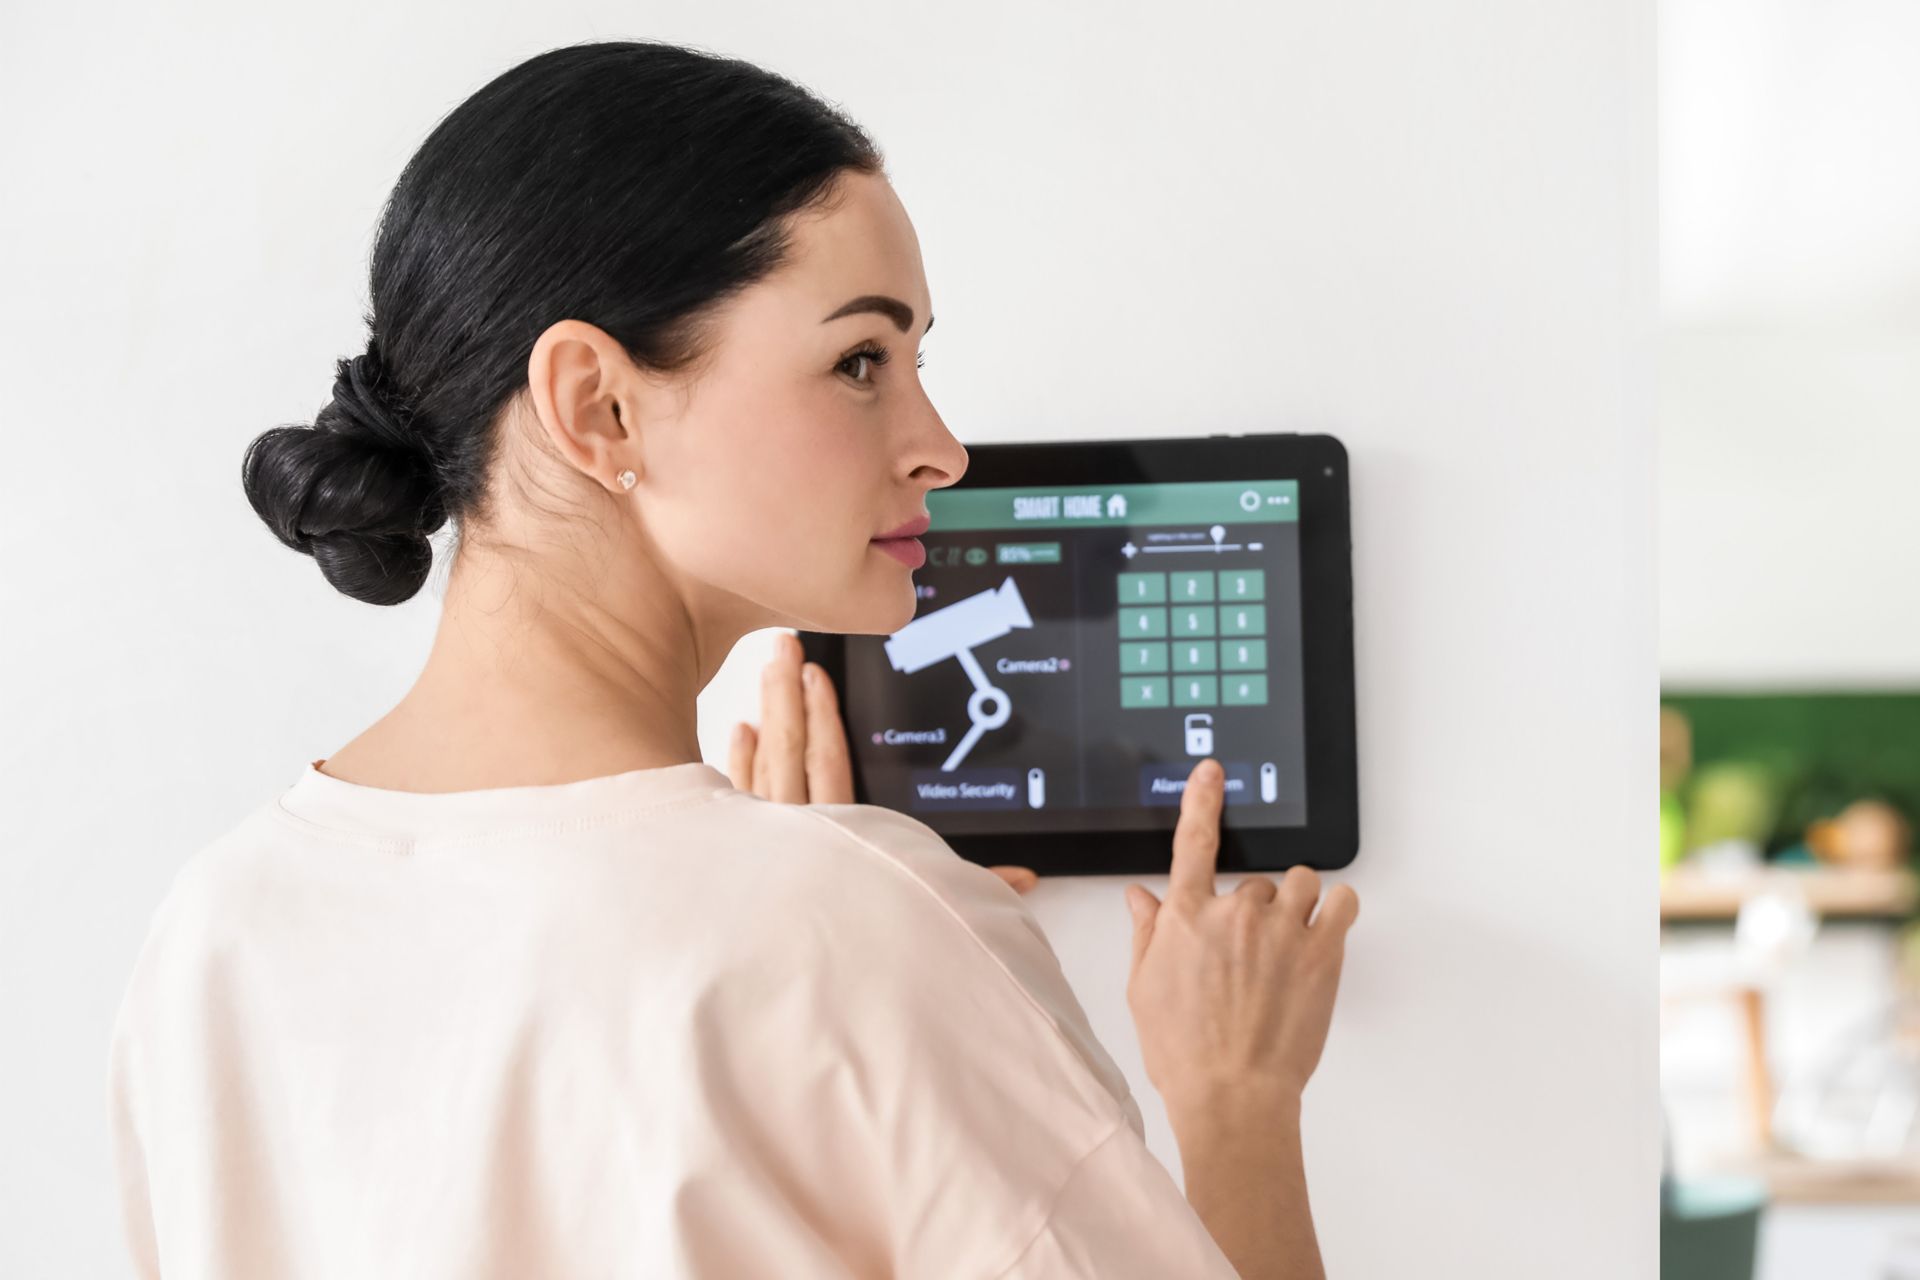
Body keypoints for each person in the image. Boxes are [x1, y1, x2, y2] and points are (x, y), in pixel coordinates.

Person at [108, 39, 1359, 1280]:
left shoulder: (213, 929)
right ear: (598, 404)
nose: (940, 448)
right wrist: (1236, 1100)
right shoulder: (859, 929)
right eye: (861, 361)